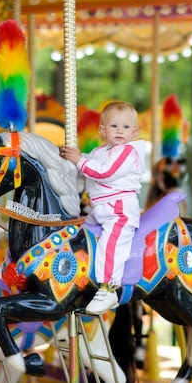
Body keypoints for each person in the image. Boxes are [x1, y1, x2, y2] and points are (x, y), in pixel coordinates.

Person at [60, 101, 146, 315]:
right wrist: (69, 162)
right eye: (114, 126)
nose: (120, 131)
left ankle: (109, 288)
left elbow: (103, 172)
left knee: (110, 244)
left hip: (120, 211)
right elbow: (85, 169)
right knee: (77, 235)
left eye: (126, 127)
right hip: (99, 211)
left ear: (134, 131)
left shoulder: (128, 152)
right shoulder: (100, 151)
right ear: (102, 130)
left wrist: (79, 160)